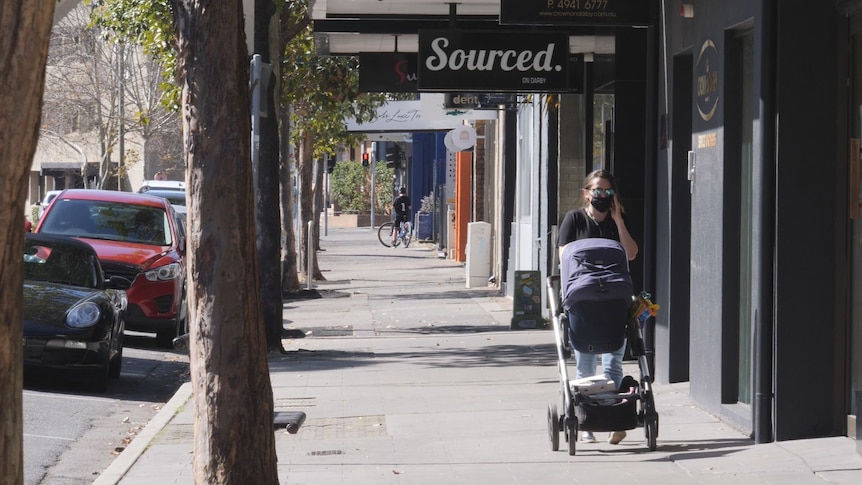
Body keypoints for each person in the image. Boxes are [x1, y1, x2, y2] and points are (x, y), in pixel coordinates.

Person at [557, 169, 638, 445]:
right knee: (586, 363)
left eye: (607, 191)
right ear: (586, 192)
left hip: (614, 301)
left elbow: (631, 254)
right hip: (584, 301)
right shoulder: (574, 219)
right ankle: (587, 420)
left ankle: (614, 417)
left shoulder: (618, 221)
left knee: (614, 361)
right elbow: (564, 256)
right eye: (597, 190)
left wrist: (617, 219)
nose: (601, 196)